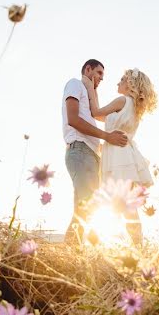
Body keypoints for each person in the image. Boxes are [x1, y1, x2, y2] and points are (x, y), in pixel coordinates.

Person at [84, 67, 157, 245]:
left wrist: (91, 86)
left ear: (129, 84)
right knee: (127, 205)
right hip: (126, 155)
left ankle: (104, 243)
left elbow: (95, 112)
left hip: (117, 155)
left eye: (122, 79)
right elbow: (103, 117)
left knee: (116, 201)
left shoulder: (121, 100)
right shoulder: (134, 107)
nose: (118, 82)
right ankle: (137, 245)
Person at [62, 59, 128, 244]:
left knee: (81, 211)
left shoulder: (88, 96)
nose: (101, 78)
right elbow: (73, 119)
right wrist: (107, 136)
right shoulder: (75, 84)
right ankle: (97, 251)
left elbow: (95, 113)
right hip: (80, 152)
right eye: (98, 73)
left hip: (91, 156)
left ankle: (70, 255)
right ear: (88, 69)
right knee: (90, 206)